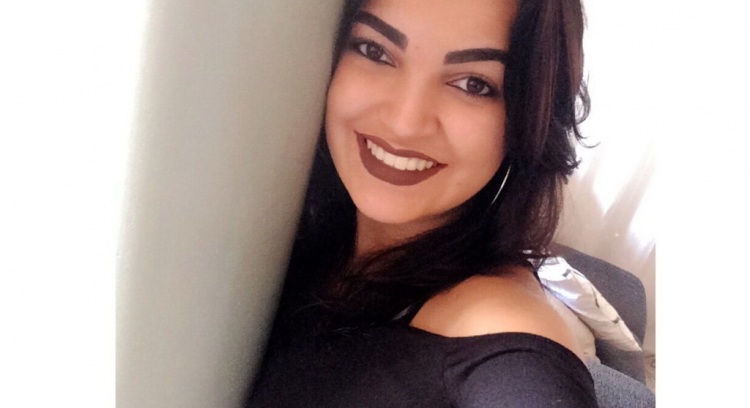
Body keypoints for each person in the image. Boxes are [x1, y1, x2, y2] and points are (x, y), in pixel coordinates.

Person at [247, 0, 595, 406]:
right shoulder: (292, 231)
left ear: (529, 119)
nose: (405, 123)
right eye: (375, 51)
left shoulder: (503, 341)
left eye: (473, 84)